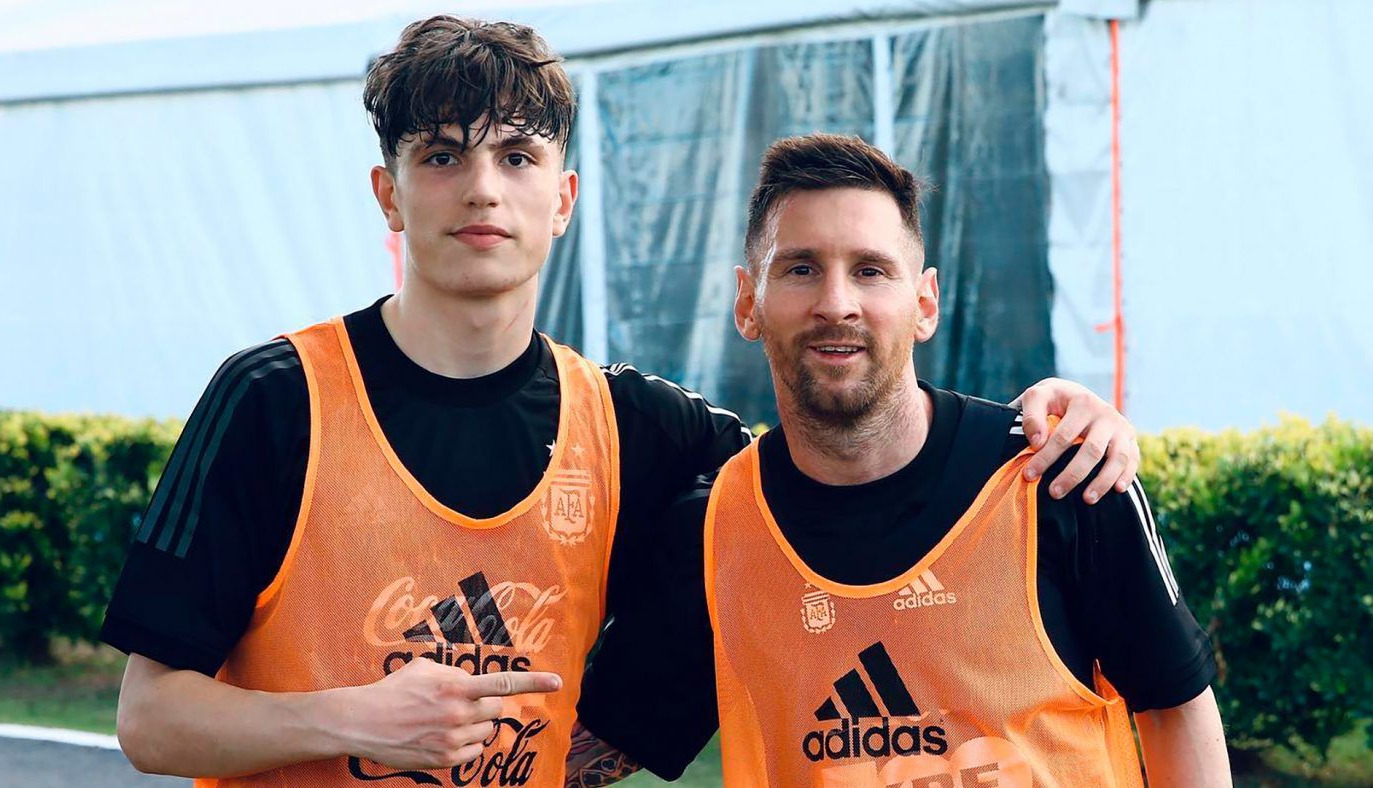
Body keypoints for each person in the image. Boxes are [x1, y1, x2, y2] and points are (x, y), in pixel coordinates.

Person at [102, 17, 1142, 787]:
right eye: (441, 156)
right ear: (389, 192)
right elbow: (151, 720)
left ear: (563, 197)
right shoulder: (278, 400)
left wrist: (1054, 418)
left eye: (516, 157)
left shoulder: (637, 429)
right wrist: (357, 718)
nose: (481, 189)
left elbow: (850, 457)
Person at [572, 134, 1230, 788]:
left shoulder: (1057, 476)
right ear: (748, 303)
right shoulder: (717, 533)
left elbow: (1175, 711)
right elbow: (581, 751)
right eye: (801, 268)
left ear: (925, 303)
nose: (836, 303)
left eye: (870, 269)